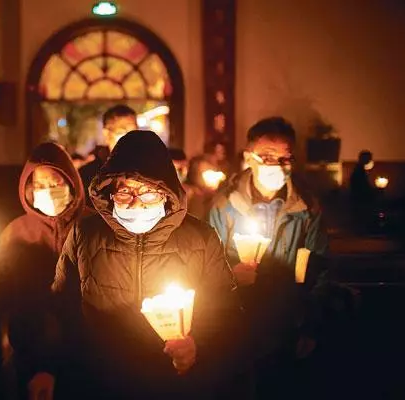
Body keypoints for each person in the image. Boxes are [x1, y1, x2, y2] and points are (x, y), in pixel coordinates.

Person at [31, 130, 248, 399]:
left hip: (172, 383)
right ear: (110, 191)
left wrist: (197, 346)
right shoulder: (85, 234)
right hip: (99, 380)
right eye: (125, 192)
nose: (136, 202)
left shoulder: (200, 239)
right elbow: (60, 308)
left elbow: (225, 311)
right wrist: (46, 367)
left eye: (148, 192)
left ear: (166, 192)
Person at [209, 117, 330, 399]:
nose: (276, 165)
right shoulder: (224, 206)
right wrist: (232, 276)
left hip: (288, 323)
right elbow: (207, 266)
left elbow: (320, 267)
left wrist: (311, 323)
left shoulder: (307, 208)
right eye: (267, 157)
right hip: (238, 325)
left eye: (285, 158)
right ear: (248, 158)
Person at [0, 142, 86, 399]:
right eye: (41, 185)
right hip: (31, 346)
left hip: (87, 346)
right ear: (29, 189)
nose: (49, 191)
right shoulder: (17, 232)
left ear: (71, 183)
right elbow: (2, 286)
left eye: (56, 183)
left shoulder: (92, 225)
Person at [79, 104, 138, 203]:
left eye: (134, 132)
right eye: (122, 132)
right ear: (107, 134)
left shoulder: (148, 169)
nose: (130, 138)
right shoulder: (88, 175)